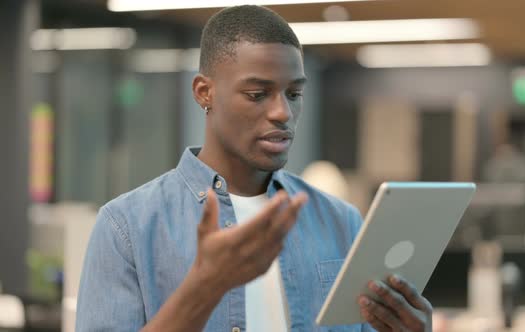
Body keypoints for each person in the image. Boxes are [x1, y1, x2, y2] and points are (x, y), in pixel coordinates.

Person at [76, 5, 433, 332]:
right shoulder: (126, 228)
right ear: (204, 92)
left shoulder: (341, 221)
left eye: (294, 94)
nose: (282, 113)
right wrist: (204, 287)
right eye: (257, 94)